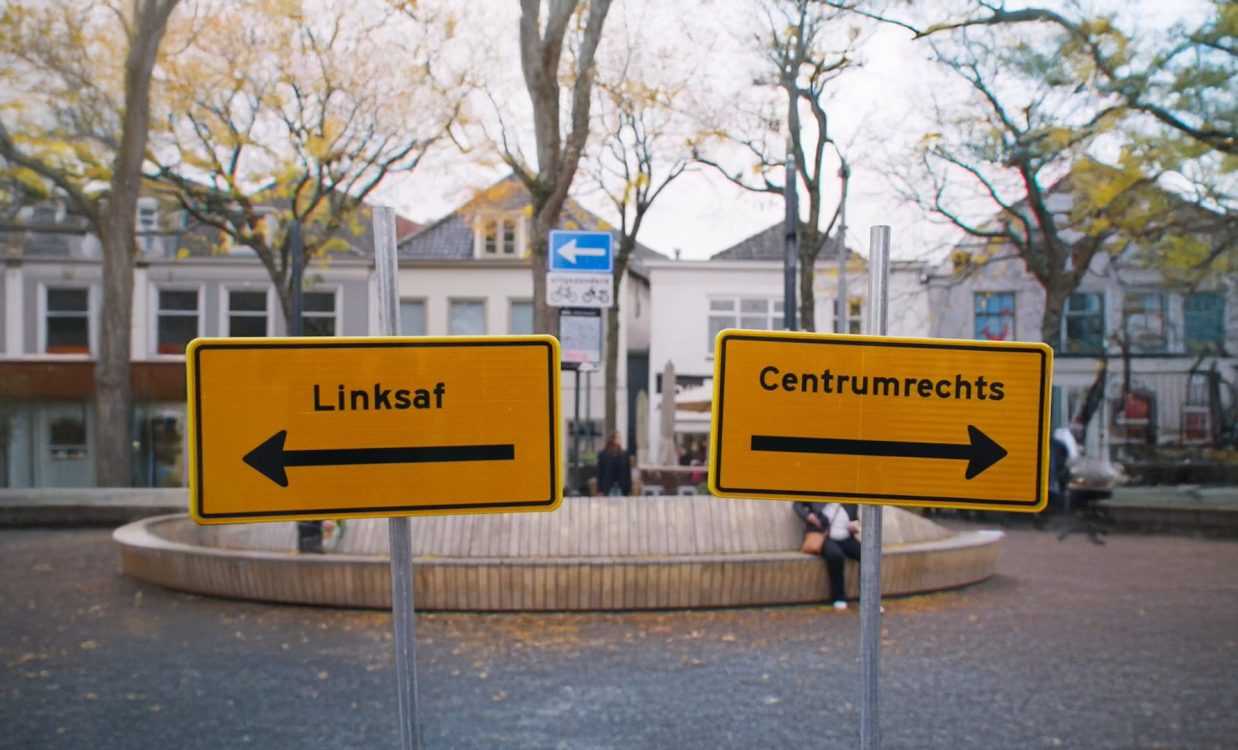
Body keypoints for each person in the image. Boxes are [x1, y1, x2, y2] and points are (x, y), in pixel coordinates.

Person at [794, 501, 862, 610]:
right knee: (836, 556)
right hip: (825, 536)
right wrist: (808, 516)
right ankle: (839, 597)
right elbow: (797, 504)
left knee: (866, 556)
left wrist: (854, 526)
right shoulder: (819, 497)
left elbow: (854, 519)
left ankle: (868, 597)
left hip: (846, 537)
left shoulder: (850, 501)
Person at [595, 432, 632, 496]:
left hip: (622, 487)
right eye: (618, 438)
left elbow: (628, 473)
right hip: (608, 487)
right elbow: (600, 473)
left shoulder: (625, 454)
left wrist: (629, 489)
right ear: (612, 439)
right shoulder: (603, 454)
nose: (620, 440)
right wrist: (600, 490)